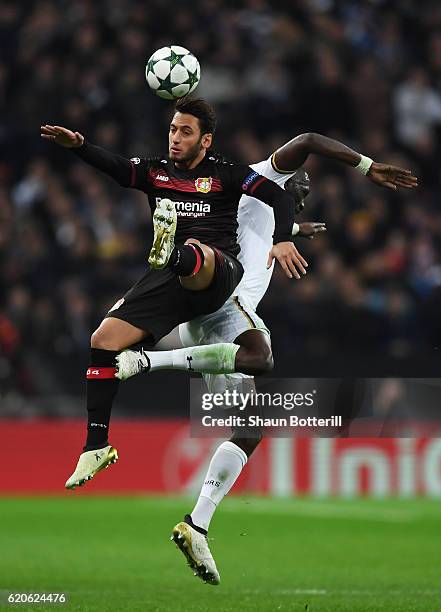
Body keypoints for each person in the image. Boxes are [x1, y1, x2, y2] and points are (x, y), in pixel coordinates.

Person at [115, 132, 418, 585]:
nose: (302, 193)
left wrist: (295, 230)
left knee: (253, 425)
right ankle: (146, 362)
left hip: (213, 319)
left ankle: (197, 524)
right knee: (260, 354)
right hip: (222, 301)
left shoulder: (269, 215)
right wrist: (365, 165)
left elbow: (256, 221)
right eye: (300, 186)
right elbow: (310, 139)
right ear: (285, 177)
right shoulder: (260, 177)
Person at [40, 97, 308, 491]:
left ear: (205, 140)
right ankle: (96, 445)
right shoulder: (156, 172)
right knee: (103, 340)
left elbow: (282, 196)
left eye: (185, 131)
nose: (175, 138)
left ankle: (175, 251)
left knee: (197, 254)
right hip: (171, 280)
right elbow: (116, 168)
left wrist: (284, 238)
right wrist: (80, 147)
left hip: (219, 271)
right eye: (172, 129)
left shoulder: (227, 174)